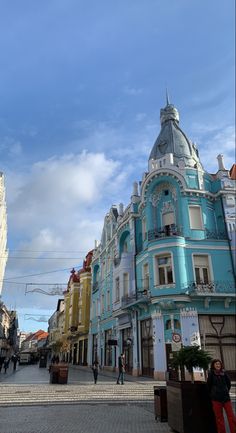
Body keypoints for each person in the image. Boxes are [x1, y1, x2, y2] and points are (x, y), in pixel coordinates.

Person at [207, 359, 236, 433]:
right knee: (219, 418)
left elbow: (228, 384)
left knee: (231, 417)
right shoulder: (211, 374)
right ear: (213, 365)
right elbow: (209, 386)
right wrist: (213, 394)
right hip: (216, 399)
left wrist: (225, 391)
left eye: (219, 364)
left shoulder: (224, 373)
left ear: (221, 365)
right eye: (216, 364)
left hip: (226, 398)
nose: (218, 365)